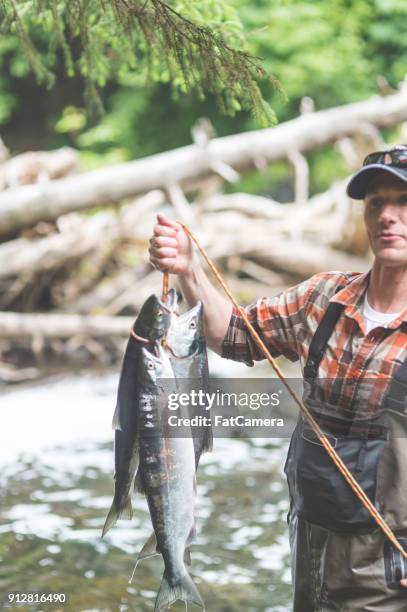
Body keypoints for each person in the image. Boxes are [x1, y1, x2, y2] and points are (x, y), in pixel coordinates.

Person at [148, 144, 407, 611]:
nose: (388, 216)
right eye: (376, 204)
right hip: (310, 545)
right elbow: (234, 335)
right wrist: (189, 270)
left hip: (390, 571)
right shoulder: (323, 297)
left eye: (403, 202)